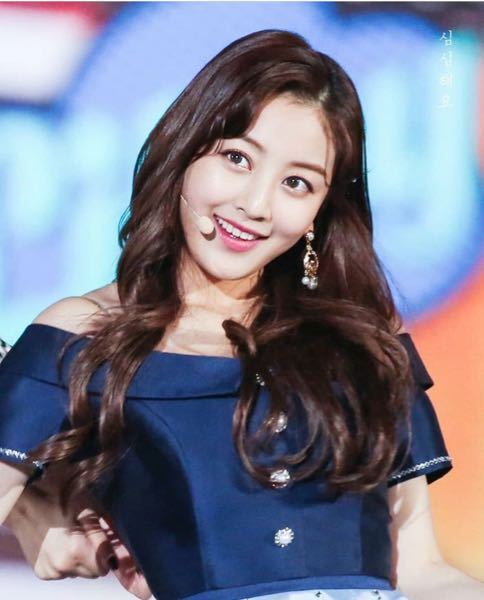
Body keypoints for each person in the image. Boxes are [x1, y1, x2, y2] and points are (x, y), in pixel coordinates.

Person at [0, 28, 482, 600]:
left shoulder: (364, 348)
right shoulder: (84, 334)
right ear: (184, 153)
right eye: (236, 158)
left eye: (296, 183)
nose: (255, 205)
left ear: (320, 211)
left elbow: (422, 571)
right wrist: (34, 507)